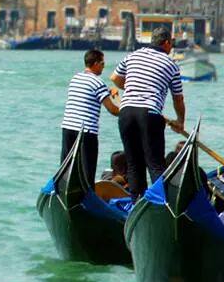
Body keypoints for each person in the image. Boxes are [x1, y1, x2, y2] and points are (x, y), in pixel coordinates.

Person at [110, 27, 186, 197]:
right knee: (155, 164)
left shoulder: (133, 55)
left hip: (126, 113)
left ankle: (137, 201)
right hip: (149, 114)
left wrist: (132, 88)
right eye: (171, 43)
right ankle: (161, 202)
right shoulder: (171, 64)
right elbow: (178, 99)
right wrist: (180, 121)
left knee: (134, 163)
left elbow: (114, 78)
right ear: (166, 43)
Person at [61, 49, 120, 186]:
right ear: (95, 64)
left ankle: (63, 189)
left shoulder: (75, 78)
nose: (104, 66)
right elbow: (113, 110)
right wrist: (117, 98)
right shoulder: (97, 83)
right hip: (86, 132)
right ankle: (87, 195)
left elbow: (87, 96)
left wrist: (107, 91)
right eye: (102, 63)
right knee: (88, 171)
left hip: (68, 127)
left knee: (66, 167)